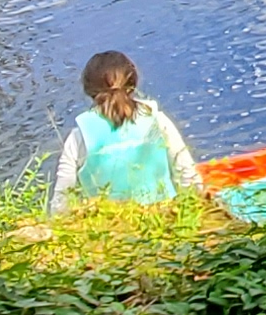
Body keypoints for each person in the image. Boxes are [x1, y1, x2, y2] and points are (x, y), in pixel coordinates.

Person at [46, 50, 209, 212]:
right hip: (163, 216)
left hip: (107, 227)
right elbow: (187, 174)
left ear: (88, 89)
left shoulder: (80, 135)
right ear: (133, 82)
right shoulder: (157, 120)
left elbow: (62, 200)